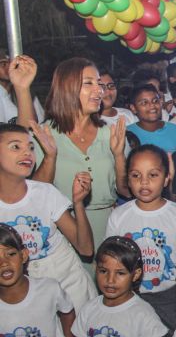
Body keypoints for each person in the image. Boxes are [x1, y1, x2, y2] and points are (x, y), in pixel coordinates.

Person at [32, 57, 129, 250]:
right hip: (61, 231)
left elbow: (125, 190)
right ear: (67, 88)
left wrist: (119, 156)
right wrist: (50, 157)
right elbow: (37, 194)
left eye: (99, 84)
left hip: (108, 227)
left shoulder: (111, 132)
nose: (99, 90)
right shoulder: (45, 134)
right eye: (89, 83)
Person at [0, 123, 96, 310]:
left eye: (31, 147)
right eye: (16, 147)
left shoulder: (46, 193)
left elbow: (86, 249)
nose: (27, 153)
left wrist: (78, 204)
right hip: (21, 292)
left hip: (68, 281)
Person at [106, 145, 176, 331]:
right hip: (130, 295)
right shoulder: (119, 215)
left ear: (167, 177)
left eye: (153, 175)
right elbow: (111, 260)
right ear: (127, 179)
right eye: (136, 175)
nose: (144, 182)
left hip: (169, 296)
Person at [127, 84, 176, 153]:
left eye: (155, 101)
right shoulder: (128, 133)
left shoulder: (174, 129)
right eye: (144, 103)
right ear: (133, 108)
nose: (152, 105)